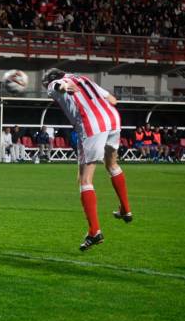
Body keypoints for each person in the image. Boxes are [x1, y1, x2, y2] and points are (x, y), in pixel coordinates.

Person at [43, 68, 133, 252]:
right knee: (112, 164)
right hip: (113, 118)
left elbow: (60, 86)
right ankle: (126, 209)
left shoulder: (55, 83)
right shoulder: (84, 77)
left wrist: (65, 87)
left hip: (91, 124)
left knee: (84, 179)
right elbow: (112, 100)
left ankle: (94, 232)